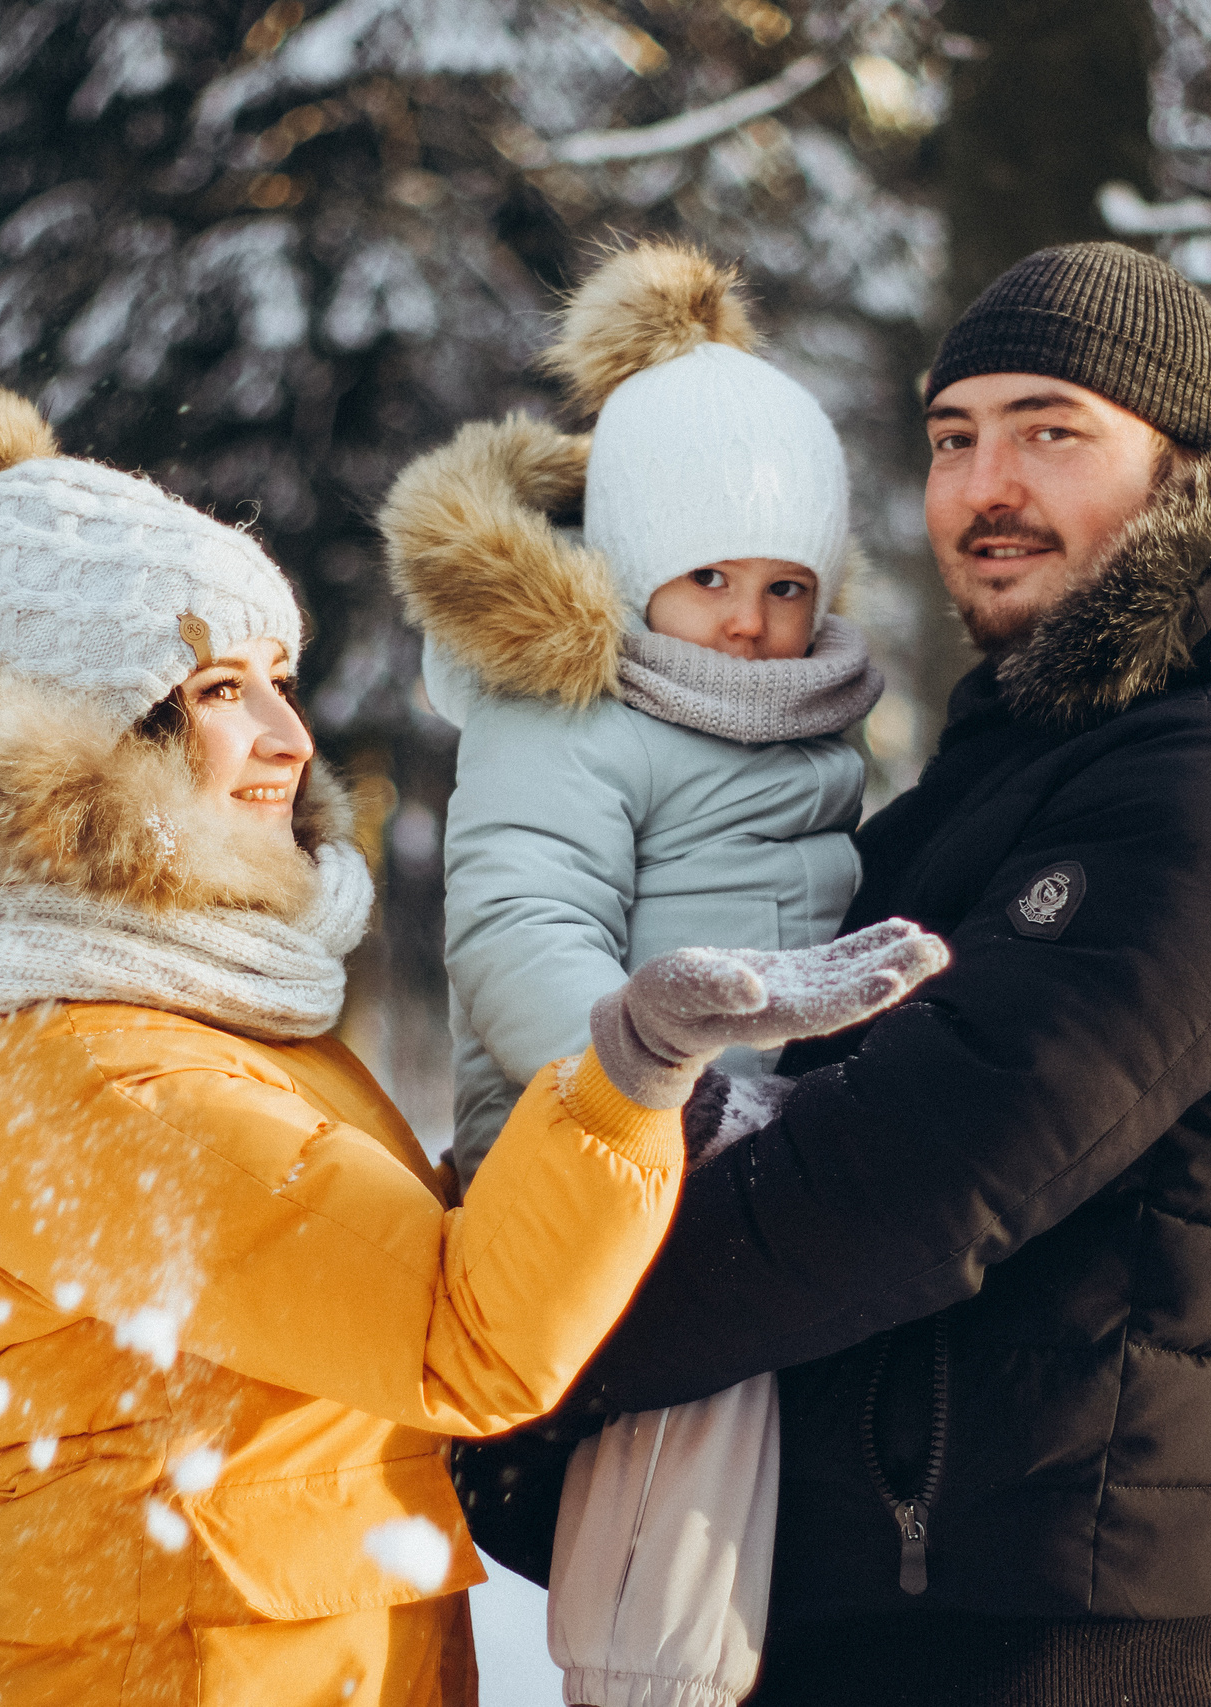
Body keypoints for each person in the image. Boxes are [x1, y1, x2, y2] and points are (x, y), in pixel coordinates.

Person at [0, 378, 946, 1707]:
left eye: (281, 682)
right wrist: (633, 1065)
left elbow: (343, 1275)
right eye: (223, 686)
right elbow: (459, 1338)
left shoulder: (209, 1012)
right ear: (78, 731)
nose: (290, 740)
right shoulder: (104, 1076)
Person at [472, 242, 1211, 1706]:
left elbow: (917, 1173)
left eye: (1052, 430)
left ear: (1189, 472)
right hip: (862, 1613)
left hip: (1036, 1645)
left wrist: (511, 1329)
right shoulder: (995, 779)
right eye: (952, 439)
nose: (988, 487)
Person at [379, 242, 879, 1707]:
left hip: (738, 1150)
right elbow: (518, 935)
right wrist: (662, 1097)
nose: (749, 619)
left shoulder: (799, 725)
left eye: (787, 585)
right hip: (596, 1140)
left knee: (744, 1446)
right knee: (684, 1434)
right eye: (709, 576)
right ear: (631, 569)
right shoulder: (572, 715)